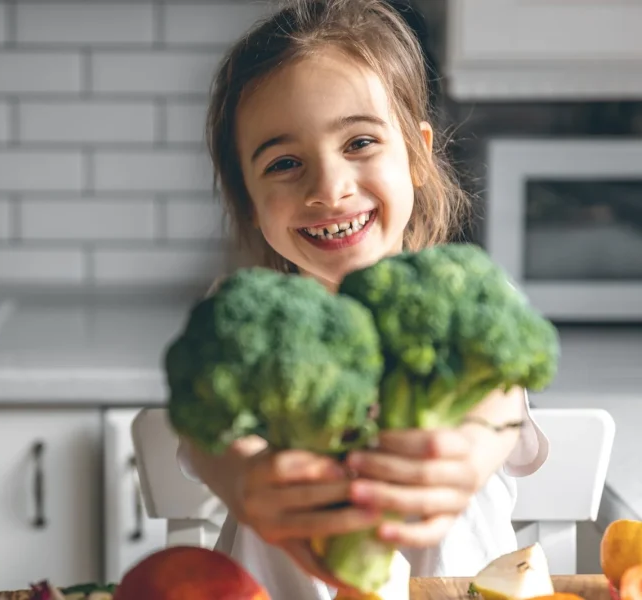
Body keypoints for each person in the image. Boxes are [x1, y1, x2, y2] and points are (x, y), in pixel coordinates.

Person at [176, 1, 550, 598]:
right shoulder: (244, 319)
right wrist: (245, 476)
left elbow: (498, 400)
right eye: (285, 162)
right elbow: (205, 436)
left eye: (359, 142)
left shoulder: (467, 300)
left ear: (419, 154)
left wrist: (471, 450)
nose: (329, 188)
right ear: (247, 197)